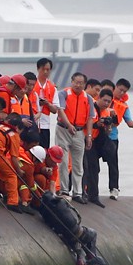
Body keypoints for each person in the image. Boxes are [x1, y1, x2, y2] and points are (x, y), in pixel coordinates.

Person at [55, 72, 94, 204]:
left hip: (79, 132)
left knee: (78, 164)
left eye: (81, 83)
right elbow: (60, 110)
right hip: (63, 130)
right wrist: (68, 124)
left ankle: (78, 192)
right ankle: (64, 190)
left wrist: (88, 136)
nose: (78, 85)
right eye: (76, 82)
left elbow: (90, 118)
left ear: (85, 84)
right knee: (63, 162)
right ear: (71, 81)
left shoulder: (88, 98)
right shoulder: (63, 94)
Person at [106, 78, 133, 200]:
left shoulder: (124, 105)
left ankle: (114, 189)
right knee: (91, 164)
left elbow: (129, 122)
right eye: (120, 90)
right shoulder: (105, 98)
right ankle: (87, 189)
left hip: (113, 137)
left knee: (113, 164)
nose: (121, 93)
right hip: (99, 135)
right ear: (115, 87)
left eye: (124, 91)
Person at [82, 88, 116, 208]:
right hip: (86, 140)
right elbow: (86, 124)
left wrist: (107, 125)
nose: (106, 103)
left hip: (98, 142)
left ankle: (92, 194)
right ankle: (87, 194)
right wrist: (97, 124)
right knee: (87, 168)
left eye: (109, 102)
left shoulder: (106, 112)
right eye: (105, 100)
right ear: (99, 98)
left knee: (95, 169)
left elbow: (107, 132)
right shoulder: (91, 108)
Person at [33, 58, 58, 148]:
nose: (45, 72)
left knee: (44, 151)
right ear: (38, 69)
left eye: (48, 70)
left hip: (45, 125)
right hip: (32, 123)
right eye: (43, 69)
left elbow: (55, 110)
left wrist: (47, 104)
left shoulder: (52, 87)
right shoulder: (31, 84)